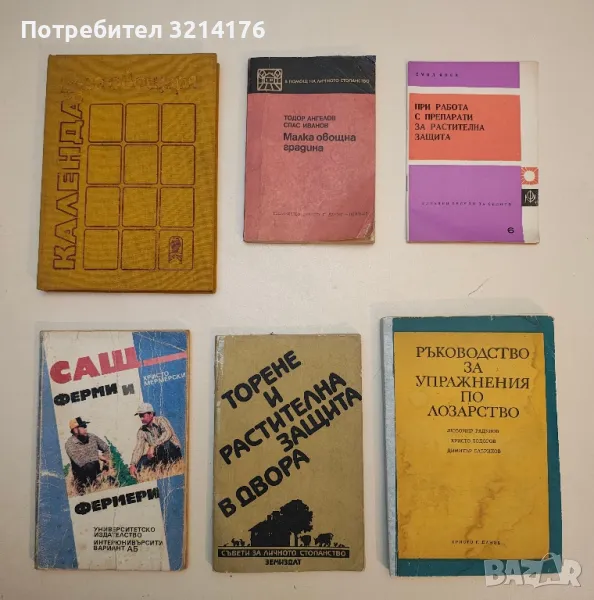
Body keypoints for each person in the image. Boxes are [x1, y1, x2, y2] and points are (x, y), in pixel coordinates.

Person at [129, 403, 182, 478]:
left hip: (172, 450)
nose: (141, 419)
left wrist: (153, 446)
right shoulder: (142, 430)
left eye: (143, 415)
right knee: (140, 462)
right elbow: (139, 448)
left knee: (165, 445)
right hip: (157, 454)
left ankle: (168, 467)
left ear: (151, 414)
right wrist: (133, 464)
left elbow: (168, 433)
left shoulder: (161, 420)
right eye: (140, 416)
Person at [64, 417, 111, 494]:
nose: (85, 429)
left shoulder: (92, 437)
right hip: (82, 484)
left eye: (85, 426)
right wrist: (98, 456)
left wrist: (105, 466)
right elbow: (81, 462)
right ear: (75, 430)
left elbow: (106, 448)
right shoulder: (69, 444)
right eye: (83, 426)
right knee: (89, 466)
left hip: (98, 478)